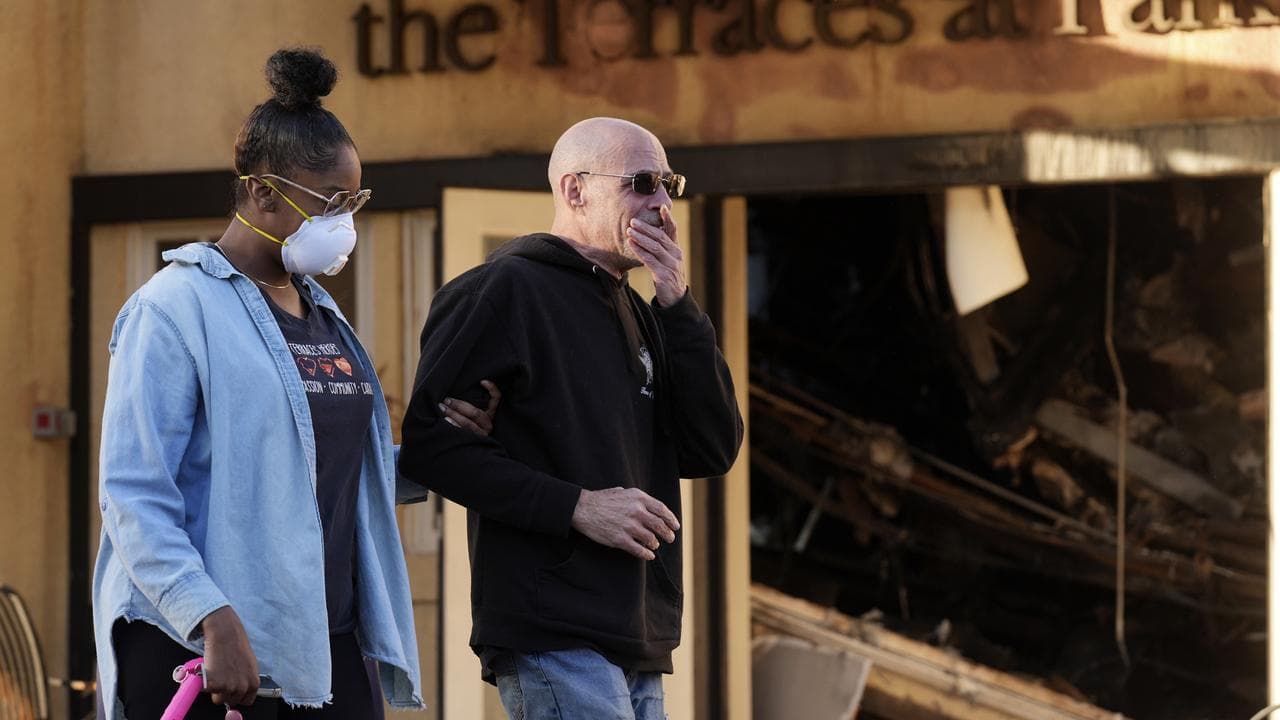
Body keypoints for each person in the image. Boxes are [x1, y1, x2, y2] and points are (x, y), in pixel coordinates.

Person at [92, 47, 498, 719]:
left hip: (321, 640)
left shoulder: (321, 311)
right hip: (204, 649)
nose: (344, 222)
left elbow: (317, 470)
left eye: (354, 201)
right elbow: (134, 496)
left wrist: (438, 454)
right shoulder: (172, 310)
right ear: (260, 192)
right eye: (329, 202)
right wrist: (212, 618)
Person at [398, 117, 744, 719]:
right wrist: (579, 506)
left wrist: (679, 306)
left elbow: (712, 449)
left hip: (638, 627)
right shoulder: (502, 290)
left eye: (669, 183)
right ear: (574, 189)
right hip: (552, 623)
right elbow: (431, 448)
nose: (662, 204)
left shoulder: (643, 310)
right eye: (641, 182)